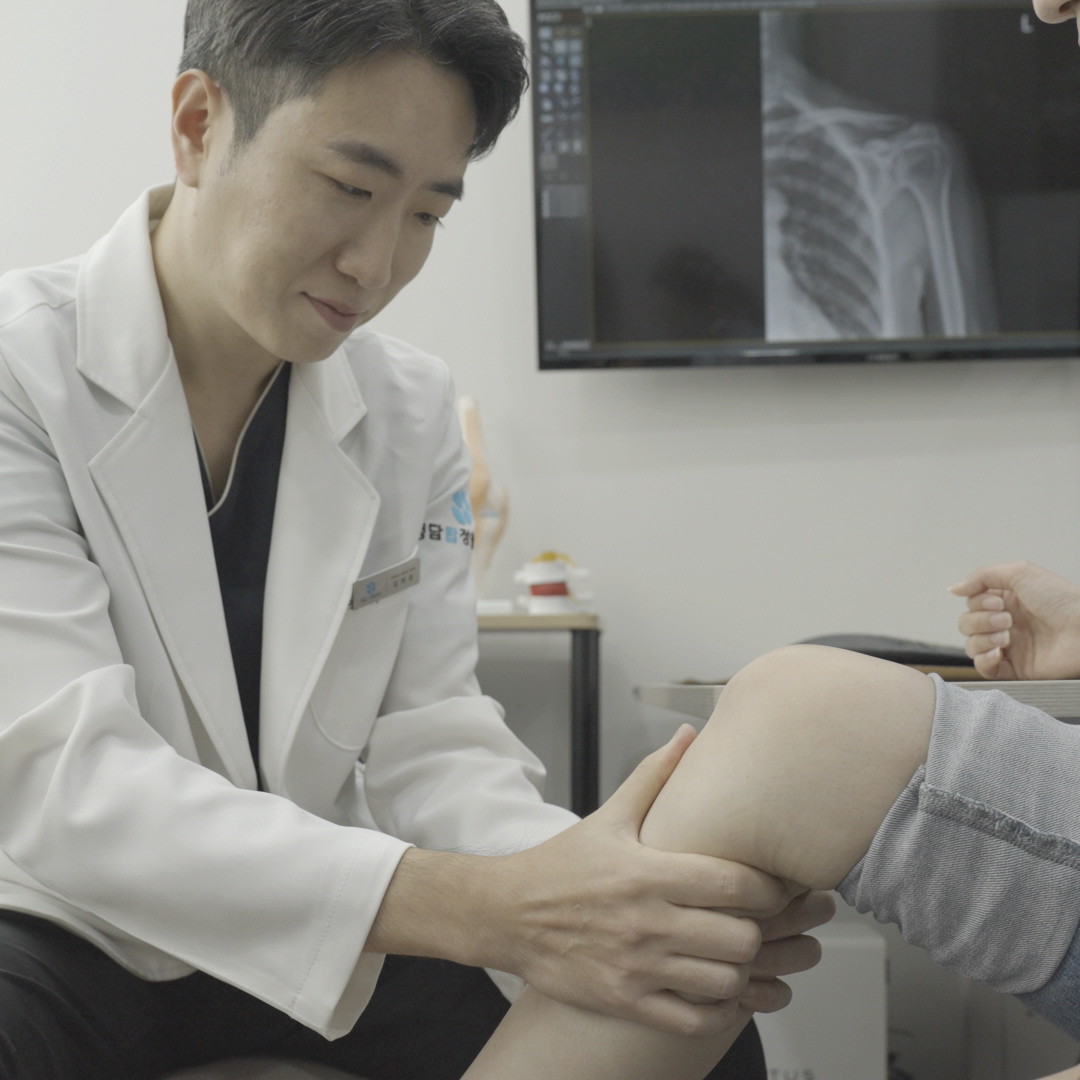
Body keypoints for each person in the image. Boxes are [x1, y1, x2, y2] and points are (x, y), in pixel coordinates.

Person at [0, 2, 829, 1077]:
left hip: (318, 925)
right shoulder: (21, 373)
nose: (376, 263)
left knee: (689, 1016)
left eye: (428, 214)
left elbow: (429, 736)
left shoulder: (408, 406)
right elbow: (69, 786)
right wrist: (494, 909)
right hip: (64, 924)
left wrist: (605, 885)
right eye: (349, 188)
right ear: (199, 125)